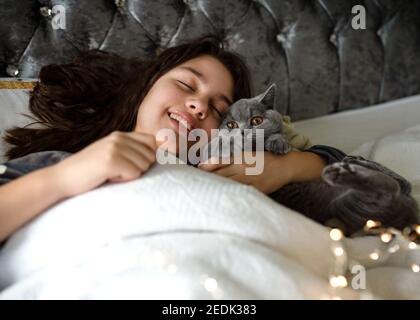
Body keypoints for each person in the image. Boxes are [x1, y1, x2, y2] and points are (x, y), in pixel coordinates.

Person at [0, 35, 346, 243]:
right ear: (144, 90)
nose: (198, 105)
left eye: (217, 108)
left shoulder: (230, 171)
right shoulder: (62, 163)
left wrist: (286, 166)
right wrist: (65, 177)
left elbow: (354, 175)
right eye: (185, 84)